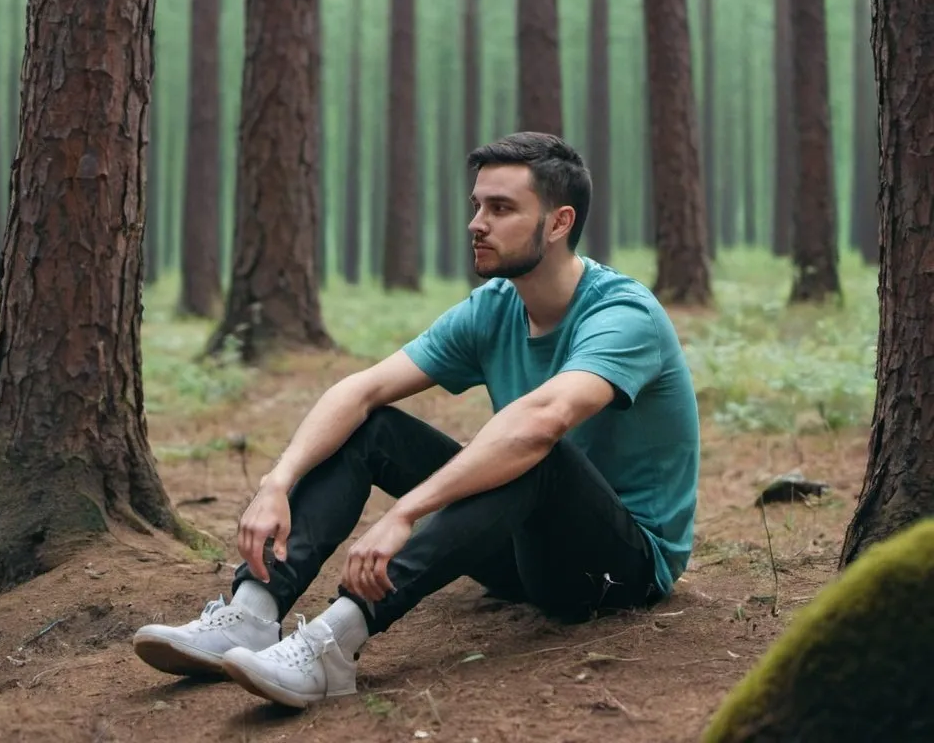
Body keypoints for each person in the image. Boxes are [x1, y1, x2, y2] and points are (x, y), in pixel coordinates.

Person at [133, 132, 700, 710]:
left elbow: (541, 422)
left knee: (535, 452)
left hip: (617, 569)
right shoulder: (496, 306)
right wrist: (276, 481)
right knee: (373, 426)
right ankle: (254, 612)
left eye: (501, 209)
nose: (477, 223)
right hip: (520, 549)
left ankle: (333, 646)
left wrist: (407, 511)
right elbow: (362, 389)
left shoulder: (623, 314)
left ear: (558, 224)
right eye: (477, 205)